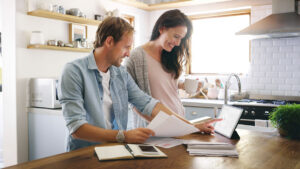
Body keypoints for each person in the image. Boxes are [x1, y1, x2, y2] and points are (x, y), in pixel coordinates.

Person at [58, 17, 216, 151]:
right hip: (83, 155)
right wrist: (124, 136)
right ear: (109, 41)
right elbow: (77, 128)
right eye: (126, 47)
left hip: (116, 150)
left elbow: (149, 104)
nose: (128, 53)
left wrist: (191, 126)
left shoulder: (120, 74)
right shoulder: (73, 71)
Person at [124, 9, 203, 128]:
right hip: (154, 127)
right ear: (162, 28)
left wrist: (182, 85)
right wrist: (158, 123)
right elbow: (132, 100)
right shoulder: (136, 57)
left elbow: (164, 84)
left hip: (178, 122)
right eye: (176, 36)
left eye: (181, 39)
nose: (177, 43)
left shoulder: (170, 55)